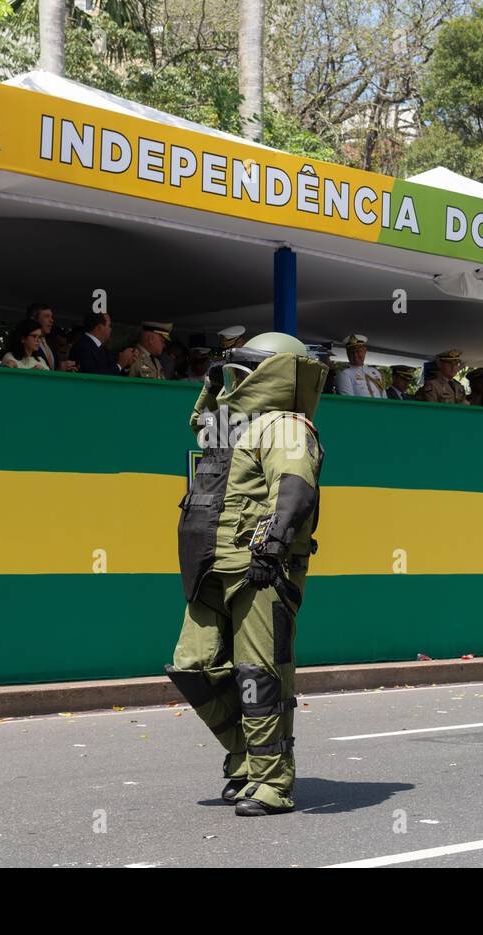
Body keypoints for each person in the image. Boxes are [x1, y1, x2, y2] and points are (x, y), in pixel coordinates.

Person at [168, 332, 328, 817]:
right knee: (192, 667)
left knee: (259, 675)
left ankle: (271, 782)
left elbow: (295, 488)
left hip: (260, 570)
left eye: (246, 369)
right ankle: (246, 756)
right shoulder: (231, 426)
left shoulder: (286, 427)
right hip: (213, 567)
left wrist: (272, 547)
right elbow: (199, 423)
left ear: (273, 374)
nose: (234, 378)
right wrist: (214, 382)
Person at [69, 313, 135, 375]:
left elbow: (114, 374)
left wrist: (126, 364)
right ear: (99, 327)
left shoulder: (103, 348)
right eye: (109, 325)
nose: (110, 329)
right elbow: (94, 376)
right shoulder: (82, 347)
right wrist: (120, 364)